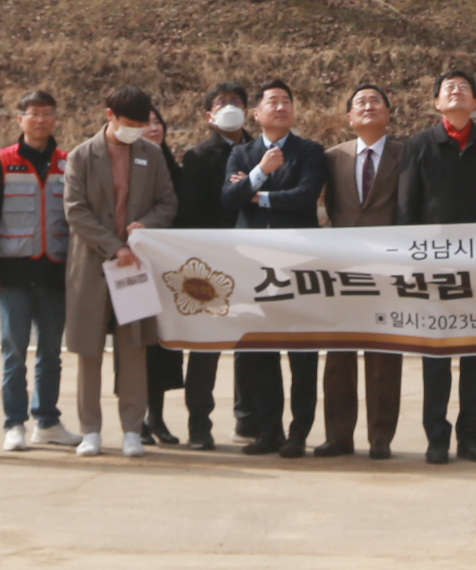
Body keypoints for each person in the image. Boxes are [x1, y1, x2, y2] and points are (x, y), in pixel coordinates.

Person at [397, 67, 476, 465]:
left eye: (465, 89)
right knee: (436, 356)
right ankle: (436, 436)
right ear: (437, 103)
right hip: (433, 271)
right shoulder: (419, 146)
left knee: (475, 357)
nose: (458, 92)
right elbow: (407, 208)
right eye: (450, 89)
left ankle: (471, 435)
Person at [62, 86, 178, 457]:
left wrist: (147, 224)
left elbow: (167, 202)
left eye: (141, 125)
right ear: (109, 115)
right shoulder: (82, 155)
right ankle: (90, 430)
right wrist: (115, 246)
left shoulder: (151, 154)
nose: (136, 131)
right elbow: (76, 211)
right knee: (89, 350)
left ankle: (132, 428)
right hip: (93, 265)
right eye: (129, 124)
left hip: (135, 268)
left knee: (134, 349)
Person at [221, 78, 328, 456]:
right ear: (257, 113)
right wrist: (261, 171)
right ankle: (270, 431)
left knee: (302, 352)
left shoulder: (310, 151)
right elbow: (229, 198)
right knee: (259, 351)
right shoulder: (243, 153)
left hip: (299, 265)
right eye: (272, 101)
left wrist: (256, 193)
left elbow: (304, 198)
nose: (280, 107)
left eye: (287, 101)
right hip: (253, 267)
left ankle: (300, 432)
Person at [0, 89, 70, 452]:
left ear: (55, 119)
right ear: (20, 120)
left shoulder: (68, 162)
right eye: (33, 113)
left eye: (47, 113)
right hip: (12, 275)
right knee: (14, 353)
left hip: (55, 272)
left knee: (51, 353)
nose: (40, 119)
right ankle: (14, 423)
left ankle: (47, 421)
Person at [319, 84, 407, 459]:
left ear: (388, 113)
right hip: (344, 269)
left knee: (385, 354)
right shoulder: (331, 157)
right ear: (350, 117)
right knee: (339, 355)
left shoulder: (407, 154)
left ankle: (380, 437)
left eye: (376, 101)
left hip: (390, 268)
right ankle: (338, 435)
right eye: (360, 103)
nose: (368, 107)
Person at [169, 79, 254, 449]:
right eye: (222, 103)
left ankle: (248, 420)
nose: (230, 107)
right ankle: (199, 424)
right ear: (209, 114)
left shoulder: (260, 150)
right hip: (212, 263)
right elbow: (191, 213)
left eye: (236, 101)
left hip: (253, 261)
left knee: (252, 345)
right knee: (206, 349)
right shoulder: (199, 156)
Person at [137, 109, 185, 444]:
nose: (154, 128)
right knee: (135, 344)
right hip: (133, 268)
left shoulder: (175, 169)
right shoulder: (126, 166)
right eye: (145, 123)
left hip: (169, 271)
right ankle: (135, 416)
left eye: (158, 122)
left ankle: (157, 416)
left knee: (164, 346)